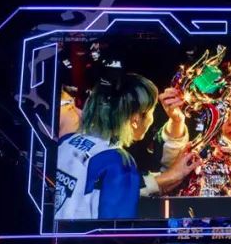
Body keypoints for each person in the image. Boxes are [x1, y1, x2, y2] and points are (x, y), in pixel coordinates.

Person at [54, 72, 200, 220]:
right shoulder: (118, 162)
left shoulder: (68, 140)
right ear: (135, 119)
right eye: (151, 112)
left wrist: (176, 122)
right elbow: (117, 230)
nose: (151, 119)